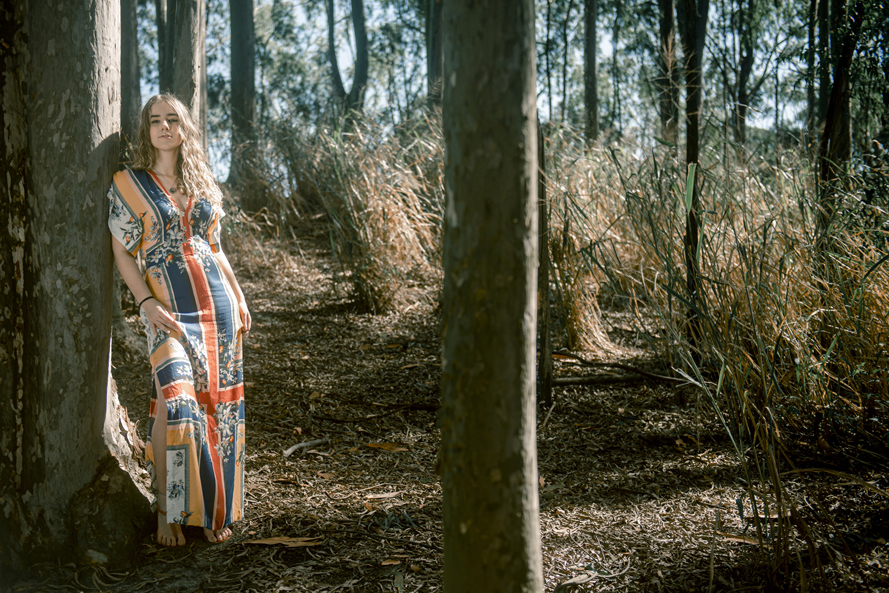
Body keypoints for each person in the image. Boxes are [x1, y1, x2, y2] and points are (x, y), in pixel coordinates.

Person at [108, 94, 251, 547]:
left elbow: (217, 249)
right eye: (156, 120)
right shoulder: (129, 183)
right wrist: (145, 302)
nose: (164, 127)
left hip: (217, 312)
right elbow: (121, 252)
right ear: (146, 129)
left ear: (185, 128)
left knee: (216, 407)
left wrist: (239, 296)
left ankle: (209, 508)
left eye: (173, 119)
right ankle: (167, 508)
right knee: (175, 403)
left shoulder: (201, 182)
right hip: (167, 311)